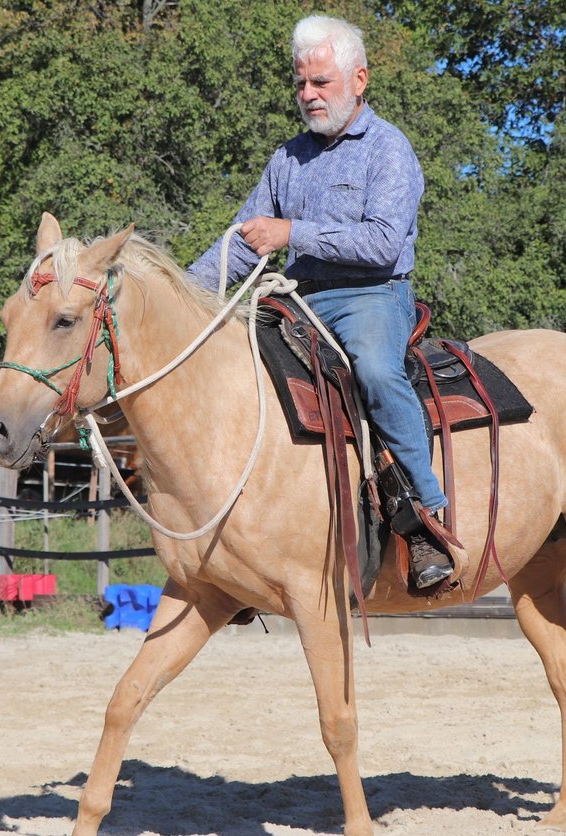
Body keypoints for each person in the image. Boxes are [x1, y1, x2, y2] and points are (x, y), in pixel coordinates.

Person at [187, 14, 458, 590]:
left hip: (372, 296)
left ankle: (427, 522)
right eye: (300, 83)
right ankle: (244, 547)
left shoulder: (389, 149)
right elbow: (240, 242)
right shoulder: (286, 159)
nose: (308, 95)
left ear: (359, 80)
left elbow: (383, 241)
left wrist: (291, 233)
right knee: (229, 373)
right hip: (295, 302)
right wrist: (184, 294)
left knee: (378, 374)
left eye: (321, 83)